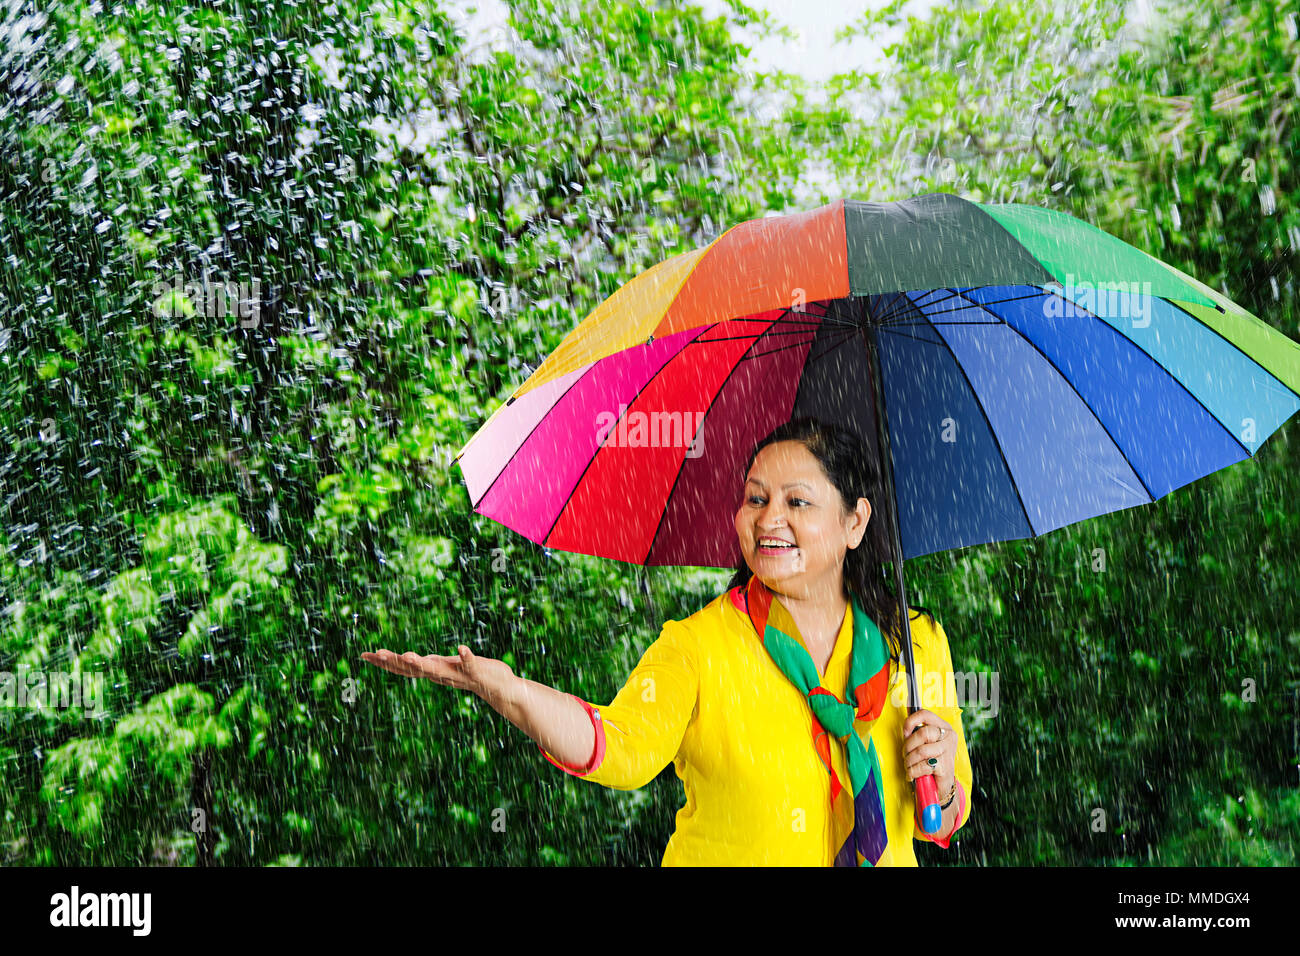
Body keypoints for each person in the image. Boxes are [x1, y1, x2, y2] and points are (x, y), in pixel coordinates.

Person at [362, 416, 972, 865]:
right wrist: (510, 691)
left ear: (855, 522)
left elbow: (942, 817)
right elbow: (619, 749)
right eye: (755, 498)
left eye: (797, 501)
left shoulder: (916, 645)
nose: (767, 519)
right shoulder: (697, 645)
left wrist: (940, 775)